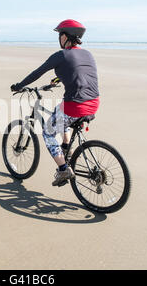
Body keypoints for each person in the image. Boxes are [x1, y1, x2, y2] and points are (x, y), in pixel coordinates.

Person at [10, 19, 100, 187]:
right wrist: (58, 78)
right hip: (93, 103)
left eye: (60, 34)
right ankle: (66, 146)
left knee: (47, 132)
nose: (59, 38)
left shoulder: (61, 55)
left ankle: (63, 169)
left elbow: (37, 73)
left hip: (75, 106)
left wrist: (19, 86)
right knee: (60, 112)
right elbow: (80, 72)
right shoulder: (87, 54)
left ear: (66, 36)